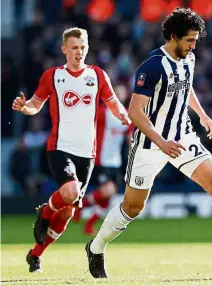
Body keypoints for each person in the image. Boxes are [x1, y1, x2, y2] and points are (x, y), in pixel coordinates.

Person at [84, 8, 212, 279]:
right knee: (133, 207)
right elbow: (136, 112)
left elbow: (186, 86)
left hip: (183, 137)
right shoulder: (151, 66)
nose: (194, 45)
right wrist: (160, 142)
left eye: (195, 40)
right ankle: (96, 248)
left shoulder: (189, 58)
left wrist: (202, 114)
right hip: (150, 143)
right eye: (189, 40)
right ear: (173, 36)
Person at [12, 27, 131, 273]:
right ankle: (45, 211)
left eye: (83, 48)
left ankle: (35, 255)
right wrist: (24, 108)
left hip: (87, 152)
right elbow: (35, 105)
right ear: (64, 49)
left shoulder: (97, 75)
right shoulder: (53, 76)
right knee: (70, 191)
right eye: (74, 48)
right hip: (60, 146)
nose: (79, 52)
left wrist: (122, 115)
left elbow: (113, 102)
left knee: (67, 211)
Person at [73, 101, 133, 235]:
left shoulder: (126, 114)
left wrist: (133, 153)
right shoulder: (102, 111)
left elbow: (130, 135)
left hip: (116, 161)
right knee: (108, 191)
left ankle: (87, 222)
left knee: (108, 198)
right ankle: (81, 208)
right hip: (101, 158)